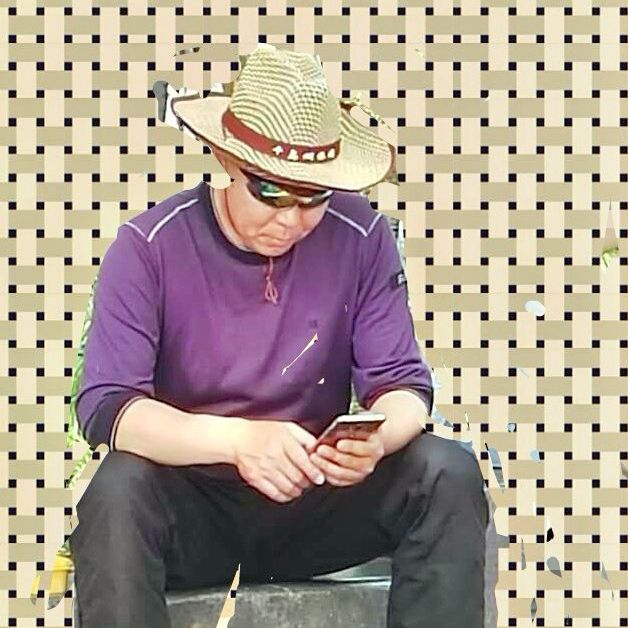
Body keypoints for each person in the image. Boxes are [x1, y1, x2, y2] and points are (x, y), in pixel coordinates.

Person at [69, 43, 489, 627]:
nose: (290, 219)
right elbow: (109, 410)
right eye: (269, 191)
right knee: (116, 492)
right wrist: (239, 442)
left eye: (313, 195)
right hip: (193, 503)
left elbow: (403, 387)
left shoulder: (361, 235)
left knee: (446, 470)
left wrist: (374, 442)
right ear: (226, 160)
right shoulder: (148, 247)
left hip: (315, 495)